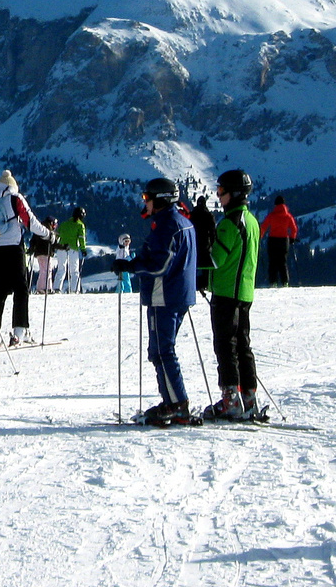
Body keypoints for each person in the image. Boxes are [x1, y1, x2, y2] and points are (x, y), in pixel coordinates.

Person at [111, 178, 199, 426]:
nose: (145, 202)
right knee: (160, 350)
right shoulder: (180, 222)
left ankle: (177, 405)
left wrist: (130, 266)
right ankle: (172, 402)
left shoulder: (167, 226)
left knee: (162, 351)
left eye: (147, 198)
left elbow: (159, 265)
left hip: (165, 296)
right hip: (176, 294)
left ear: (160, 199)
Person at [206, 169, 264, 421]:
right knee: (243, 346)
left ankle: (230, 400)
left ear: (235, 194)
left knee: (225, 346)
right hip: (245, 292)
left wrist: (203, 244)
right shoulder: (251, 221)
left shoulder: (230, 223)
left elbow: (215, 259)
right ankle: (249, 399)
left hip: (226, 293)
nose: (218, 197)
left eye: (221, 192)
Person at [0, 170, 51, 348]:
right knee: (21, 289)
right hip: (13, 246)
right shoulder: (14, 198)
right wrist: (48, 235)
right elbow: (30, 221)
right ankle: (19, 332)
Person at [261, 195, 298, 287]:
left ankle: (273, 282)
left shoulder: (271, 215)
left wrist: (259, 237)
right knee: (282, 262)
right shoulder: (288, 216)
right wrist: (292, 238)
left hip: (272, 240)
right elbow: (294, 229)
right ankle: (285, 282)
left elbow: (263, 227)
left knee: (272, 262)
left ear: (275, 205)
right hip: (284, 241)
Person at [53, 207, 87, 293]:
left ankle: (57, 288)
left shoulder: (64, 224)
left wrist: (54, 246)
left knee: (61, 268)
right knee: (74, 270)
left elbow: (57, 235)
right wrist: (83, 249)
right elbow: (81, 238)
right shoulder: (80, 225)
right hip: (72, 249)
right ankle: (75, 289)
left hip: (61, 248)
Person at [191, 195, 217, 293]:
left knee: (194, 264)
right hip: (205, 243)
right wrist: (213, 243)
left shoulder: (193, 214)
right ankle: (205, 283)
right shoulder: (208, 215)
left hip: (194, 243)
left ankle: (194, 283)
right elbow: (213, 231)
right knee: (206, 265)